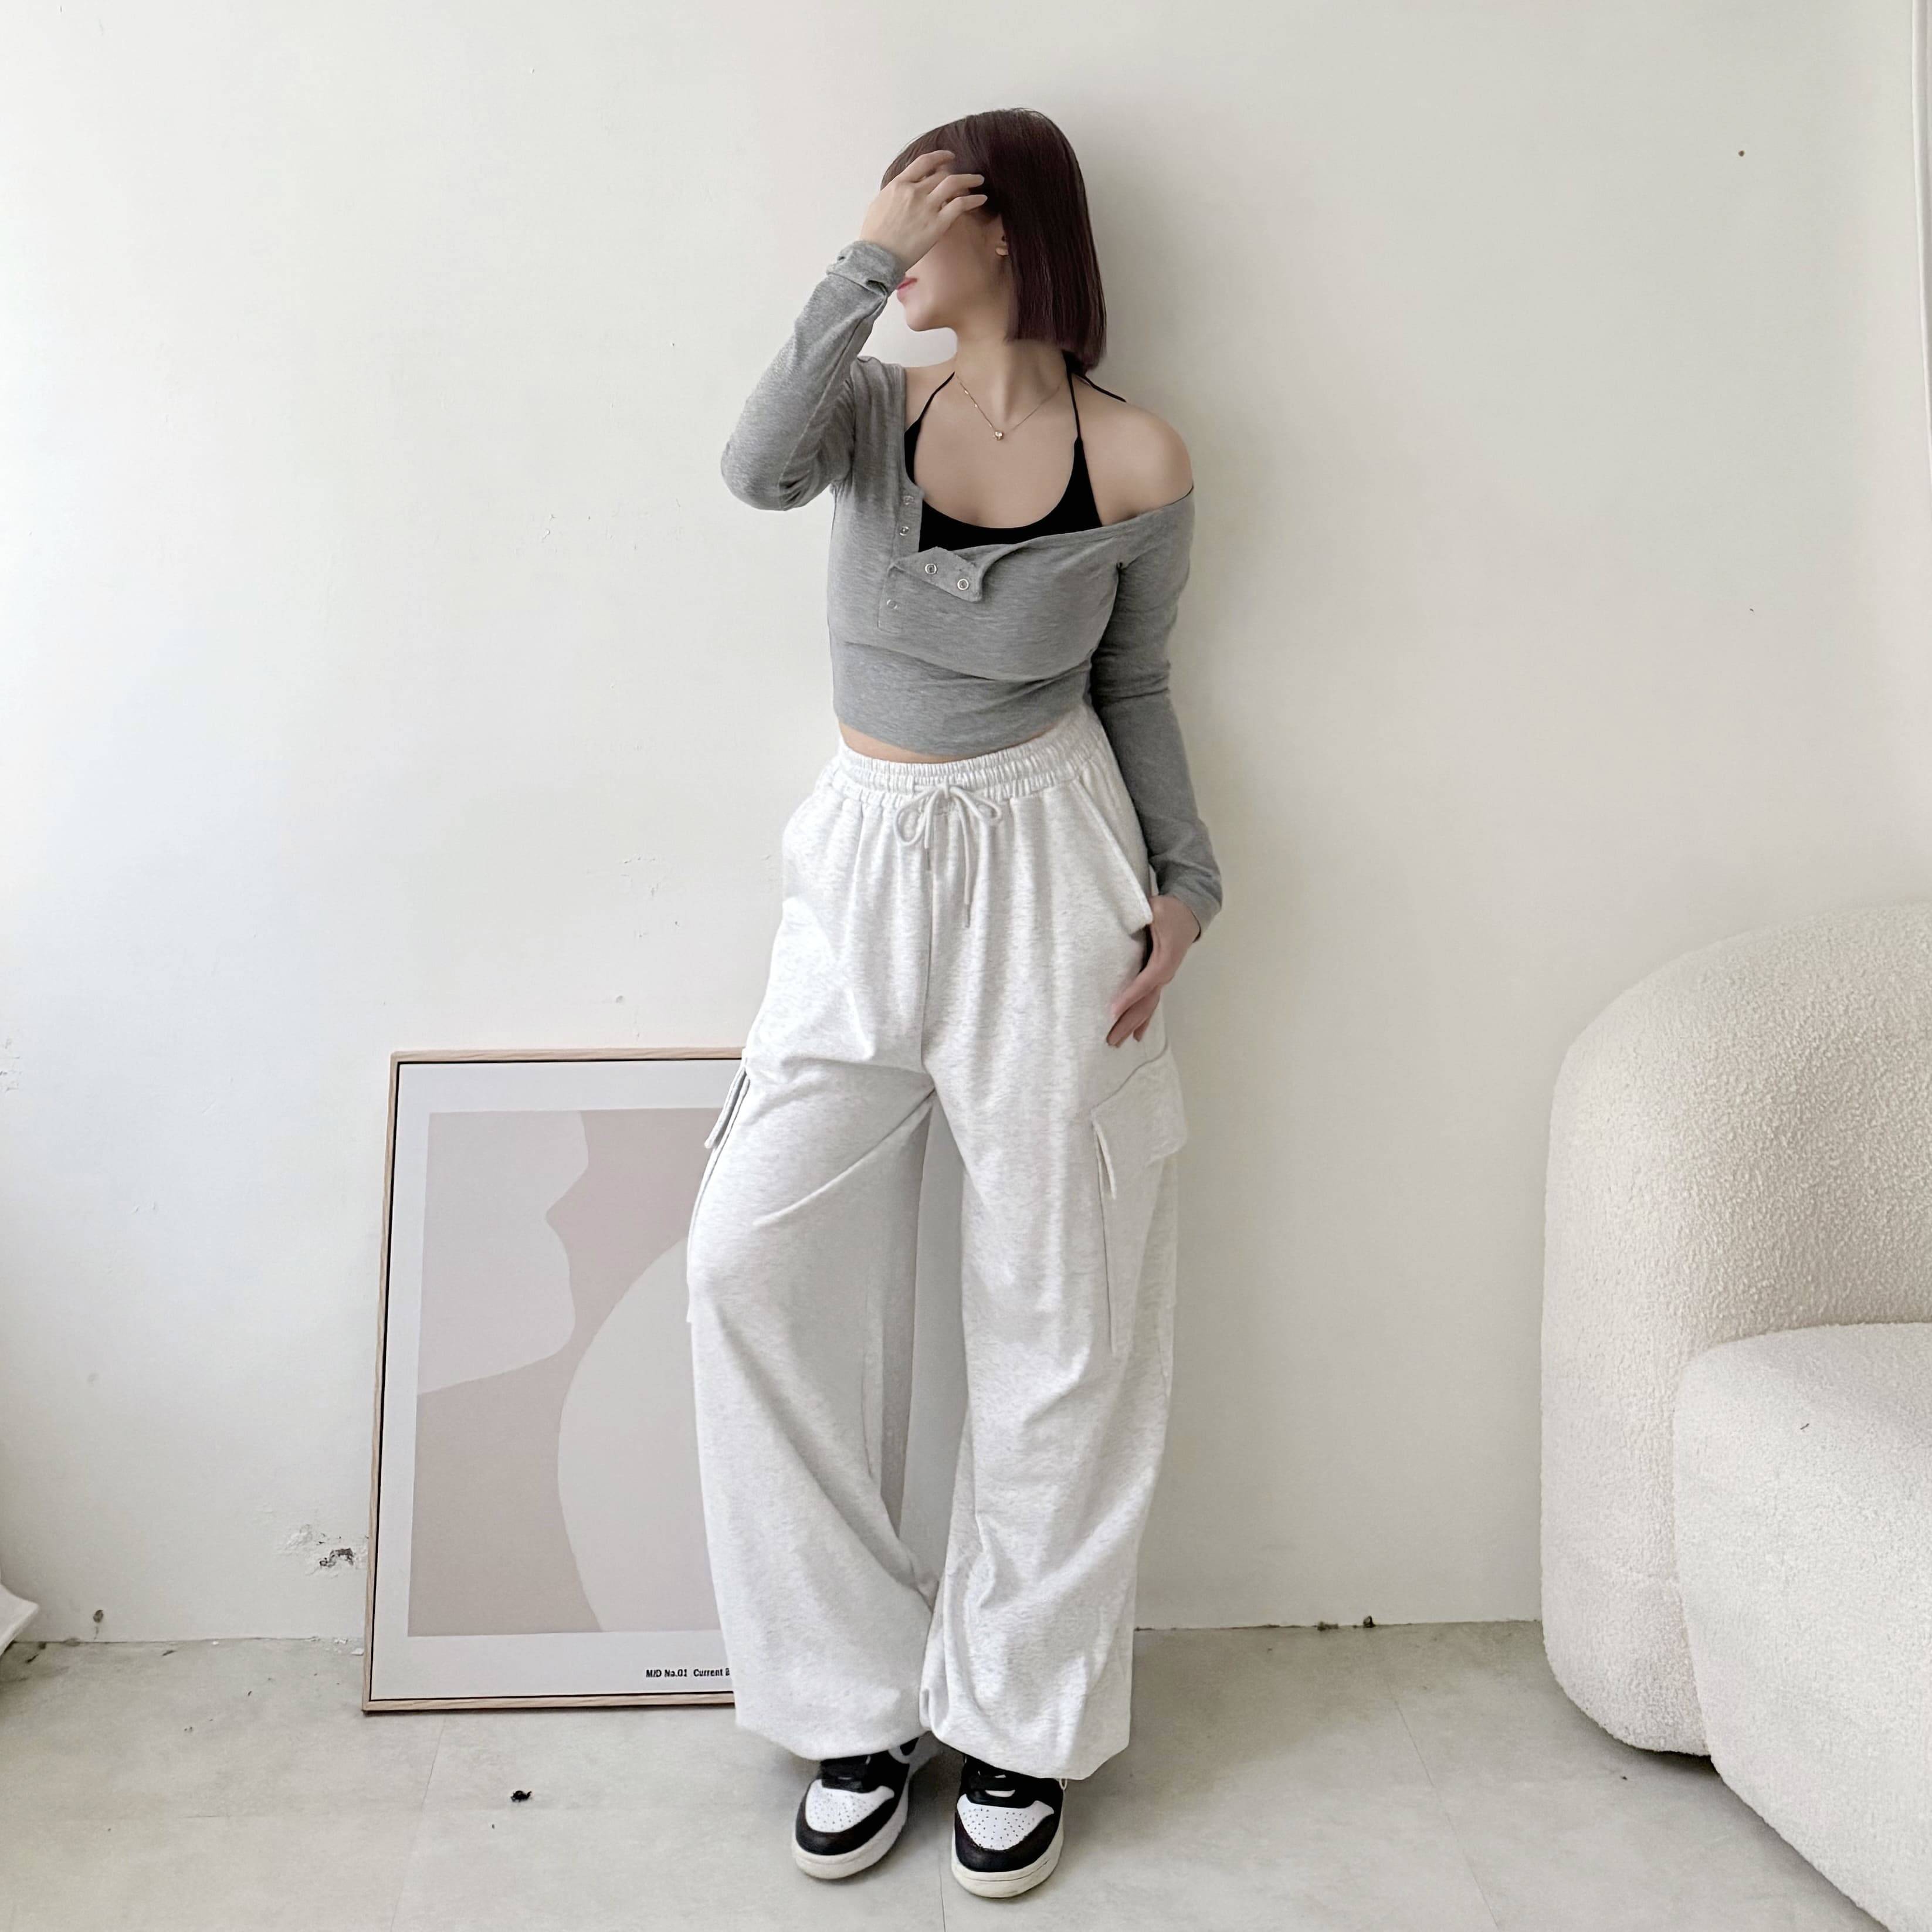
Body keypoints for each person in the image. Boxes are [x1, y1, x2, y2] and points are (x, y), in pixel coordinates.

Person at [685, 107, 1223, 1901]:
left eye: (922, 208)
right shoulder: (864, 410)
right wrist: (857, 263)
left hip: (1053, 867)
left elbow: (1138, 683)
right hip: (863, 862)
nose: (896, 238)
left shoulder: (1137, 456)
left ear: (1006, 227)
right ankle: (851, 1703)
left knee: (1063, 1305)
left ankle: (1019, 1721)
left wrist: (1186, 885)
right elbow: (750, 471)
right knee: (746, 1262)